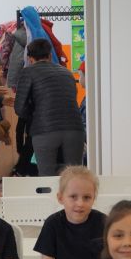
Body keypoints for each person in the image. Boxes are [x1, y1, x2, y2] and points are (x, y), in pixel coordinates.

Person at [14, 38, 84, 176]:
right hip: (75, 129)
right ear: (50, 55)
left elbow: (19, 108)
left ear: (30, 59)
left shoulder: (28, 72)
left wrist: (35, 113)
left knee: (47, 177)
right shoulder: (67, 73)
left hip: (44, 130)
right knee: (73, 176)